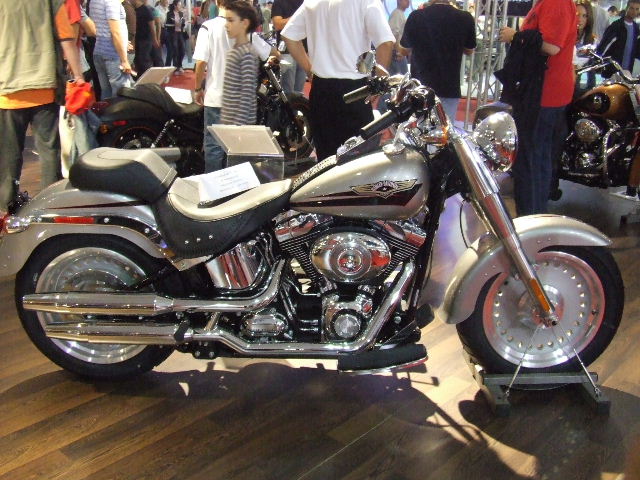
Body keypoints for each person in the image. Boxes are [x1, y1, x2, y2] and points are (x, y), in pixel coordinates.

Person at [0, 0, 86, 215]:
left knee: (9, 154)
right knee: (49, 151)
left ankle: (6, 207)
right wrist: (78, 76)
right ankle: (50, 206)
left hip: (8, 88)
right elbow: (67, 38)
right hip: (45, 86)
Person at [282, 0, 394, 161]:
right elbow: (385, 42)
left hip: (321, 89)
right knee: (359, 158)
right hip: (354, 90)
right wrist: (378, 84)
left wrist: (309, 69)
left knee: (326, 159)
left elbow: (289, 36)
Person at [499, 0, 577, 216]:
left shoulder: (555, 3)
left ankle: (532, 216)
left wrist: (515, 36)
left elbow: (552, 46)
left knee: (532, 160)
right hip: (542, 93)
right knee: (536, 158)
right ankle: (534, 215)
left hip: (544, 94)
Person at [193, 0, 274, 171]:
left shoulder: (208, 27)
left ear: (217, 2)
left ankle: (214, 185)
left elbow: (201, 62)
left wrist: (198, 88)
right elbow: (268, 52)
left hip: (216, 98)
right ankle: (237, 183)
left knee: (214, 148)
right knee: (239, 147)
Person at [399, 0, 475, 121]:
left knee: (419, 127)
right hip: (449, 86)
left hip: (421, 87)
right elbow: (469, 50)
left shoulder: (416, 16)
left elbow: (404, 50)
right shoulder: (465, 18)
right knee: (446, 128)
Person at [220, 1, 259, 125]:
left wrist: (237, 126)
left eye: (231, 20)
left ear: (244, 23)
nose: (226, 25)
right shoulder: (235, 50)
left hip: (240, 125)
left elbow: (247, 93)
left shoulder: (247, 53)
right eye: (226, 20)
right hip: (229, 122)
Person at [90, 0, 133, 99]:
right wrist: (124, 60)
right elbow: (115, 32)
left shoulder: (94, 1)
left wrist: (123, 41)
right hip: (113, 54)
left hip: (99, 50)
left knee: (106, 93)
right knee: (122, 94)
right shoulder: (112, 2)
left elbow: (99, 27)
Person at [272, 0, 306, 95]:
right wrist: (298, 17)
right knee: (287, 91)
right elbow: (277, 24)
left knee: (299, 93)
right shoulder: (280, 2)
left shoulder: (306, 3)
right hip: (287, 51)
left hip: (304, 52)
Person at [597, 0, 640, 76]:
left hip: (627, 72)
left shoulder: (636, 29)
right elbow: (604, 45)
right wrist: (599, 61)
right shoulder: (616, 26)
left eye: (637, 9)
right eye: (631, 8)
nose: (634, 12)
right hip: (612, 70)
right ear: (627, 8)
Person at [133, 0, 159, 75]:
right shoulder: (134, 9)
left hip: (145, 39)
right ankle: (140, 77)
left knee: (144, 60)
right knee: (138, 60)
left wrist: (155, 39)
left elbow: (152, 26)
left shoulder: (146, 10)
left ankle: (148, 77)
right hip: (137, 39)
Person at [389, 0, 410, 75]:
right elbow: (393, 34)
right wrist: (399, 50)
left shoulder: (400, 13)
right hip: (396, 54)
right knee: (399, 79)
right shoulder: (397, 14)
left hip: (399, 52)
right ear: (399, 1)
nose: (408, 1)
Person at [166, 0, 187, 74]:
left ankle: (179, 65)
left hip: (180, 33)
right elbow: (168, 23)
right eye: (179, 5)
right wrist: (175, 23)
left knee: (183, 50)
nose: (180, 6)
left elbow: (183, 22)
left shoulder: (181, 13)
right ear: (175, 5)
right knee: (175, 50)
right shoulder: (169, 13)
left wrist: (183, 23)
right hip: (172, 33)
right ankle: (176, 67)